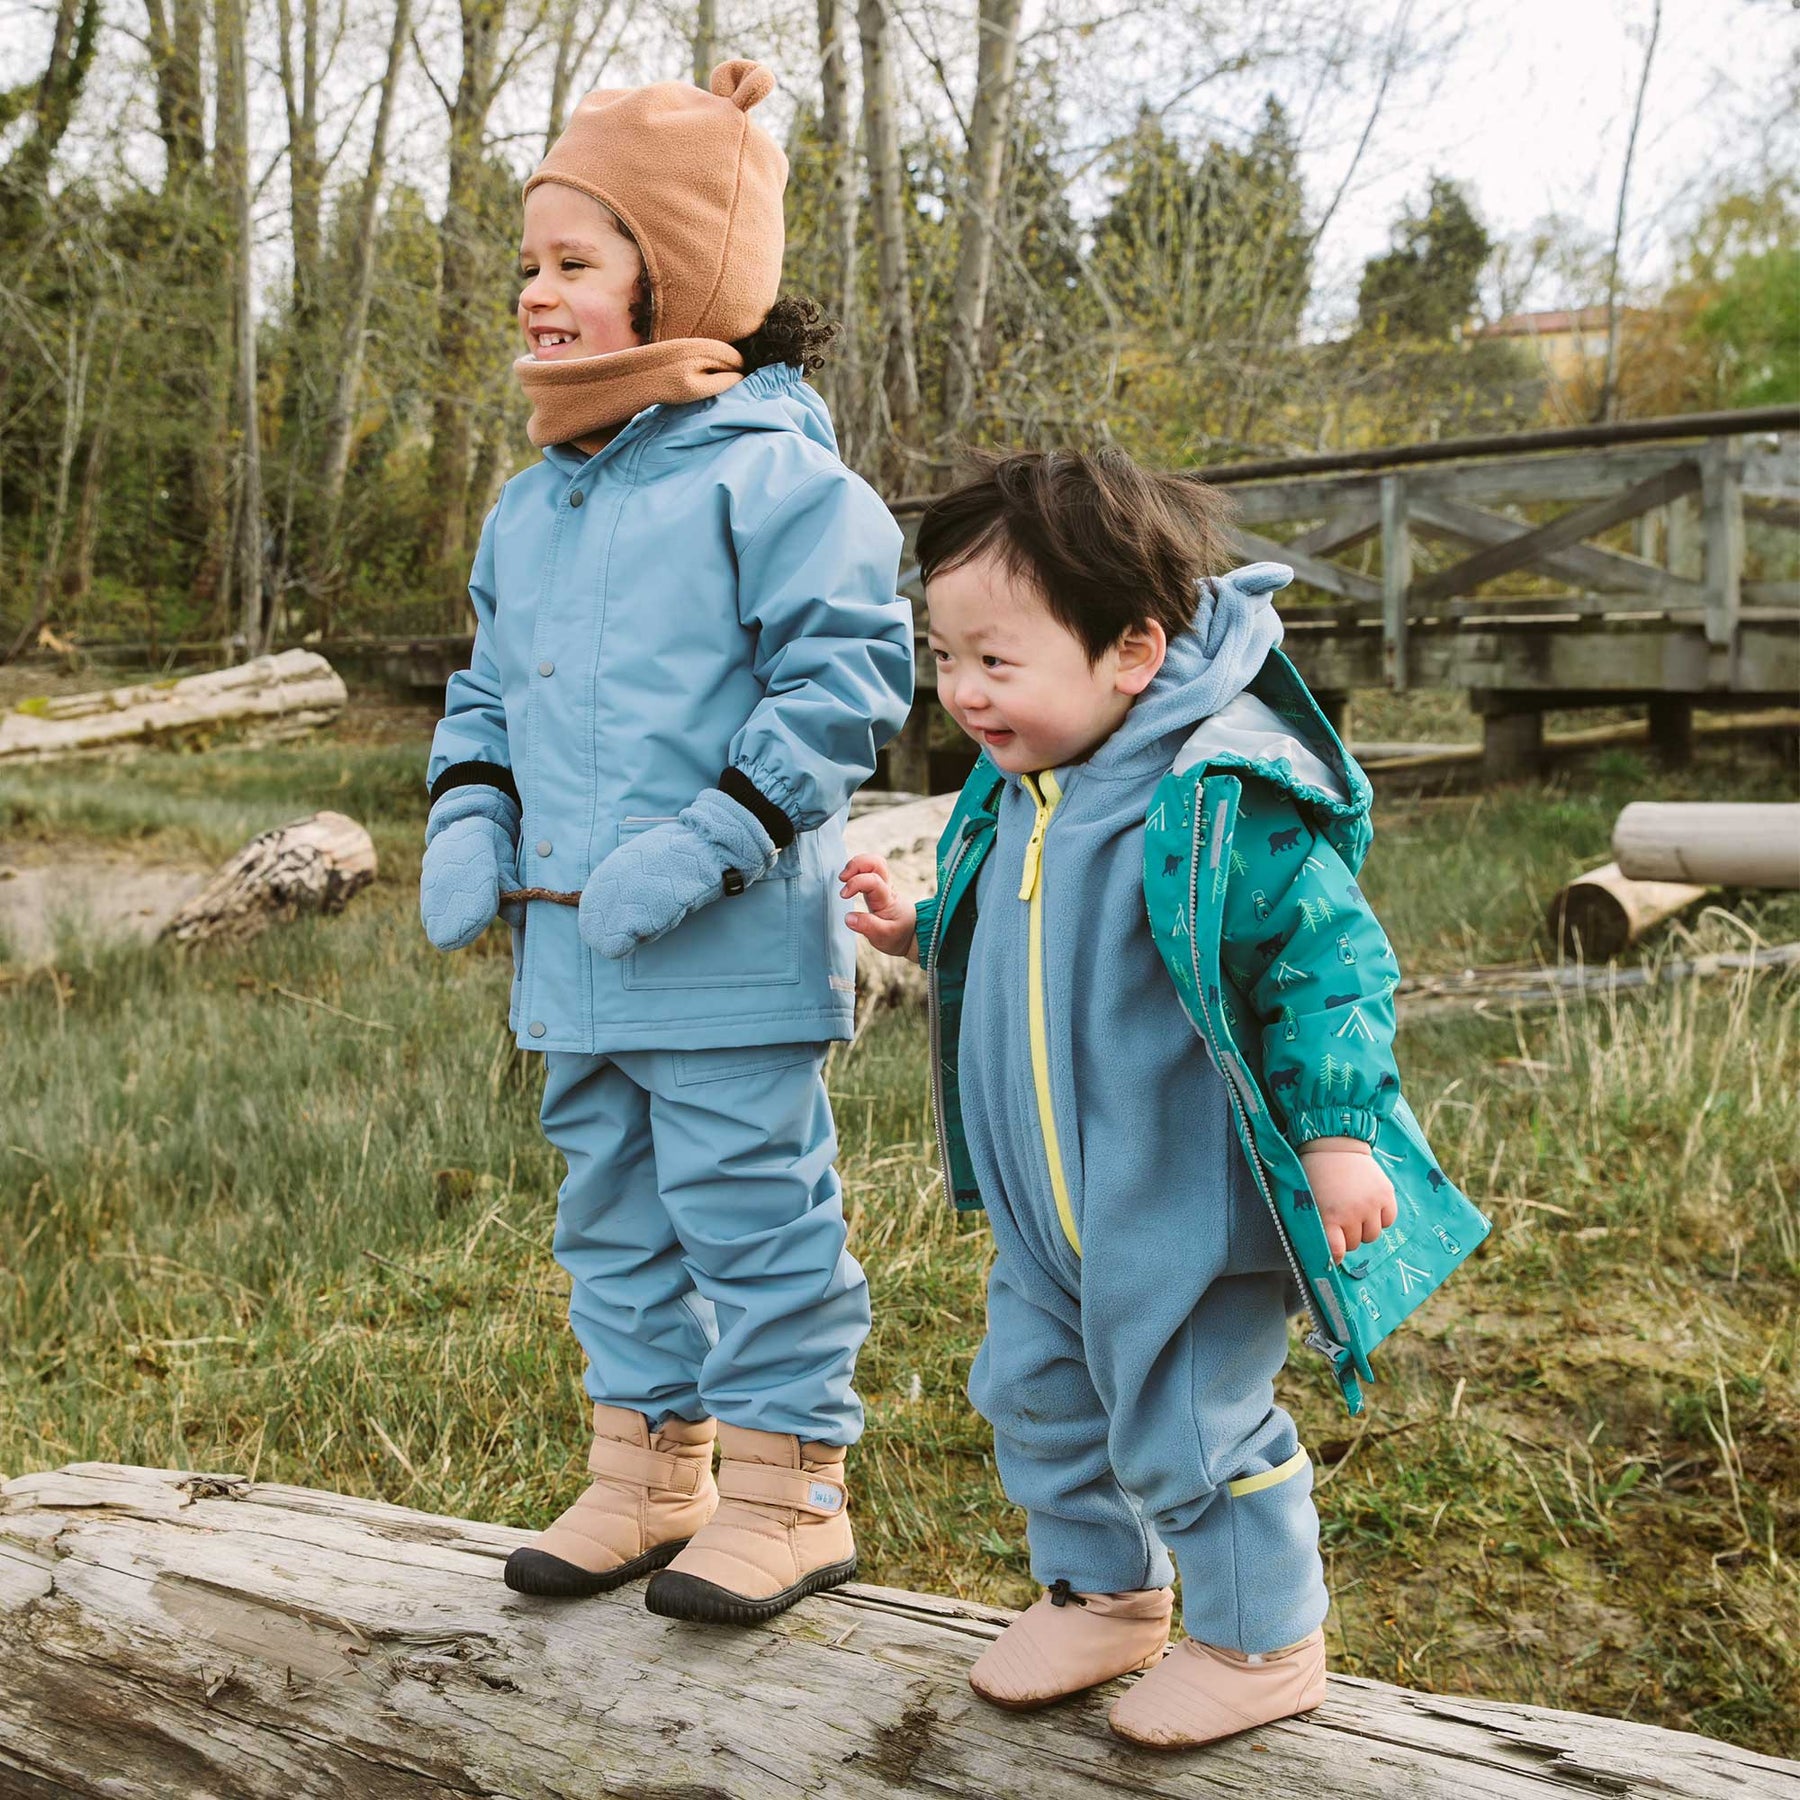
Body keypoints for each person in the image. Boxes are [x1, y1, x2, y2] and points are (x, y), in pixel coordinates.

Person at [842, 449, 1486, 1747]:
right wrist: (927, 926)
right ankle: (1104, 1594)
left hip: (1182, 1206)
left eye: (995, 659)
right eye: (943, 655)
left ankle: (1261, 1640)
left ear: (1132, 650)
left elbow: (1331, 964)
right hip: (1045, 1210)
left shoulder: (1213, 795)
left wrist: (1340, 1134)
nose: (960, 691)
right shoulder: (1020, 784)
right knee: (1036, 1396)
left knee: (1190, 1427)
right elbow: (1030, 927)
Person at [419, 59, 914, 1626]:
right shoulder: (531, 504)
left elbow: (848, 681)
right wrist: (470, 807)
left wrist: (713, 839)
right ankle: (646, 1471)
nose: (536, 292)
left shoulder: (780, 478)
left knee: (754, 1215)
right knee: (613, 1220)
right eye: (530, 264)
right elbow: (485, 686)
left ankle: (788, 1491)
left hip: (726, 947)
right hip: (570, 950)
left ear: (681, 277)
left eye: (575, 262)